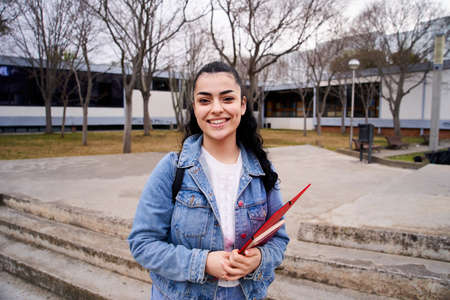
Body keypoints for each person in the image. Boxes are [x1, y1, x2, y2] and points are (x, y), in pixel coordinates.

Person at [128, 61, 289, 300]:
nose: (216, 109)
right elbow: (142, 243)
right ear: (194, 107)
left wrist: (259, 259)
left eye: (227, 99)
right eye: (205, 100)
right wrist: (202, 263)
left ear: (242, 105)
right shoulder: (173, 168)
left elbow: (278, 240)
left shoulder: (262, 171)